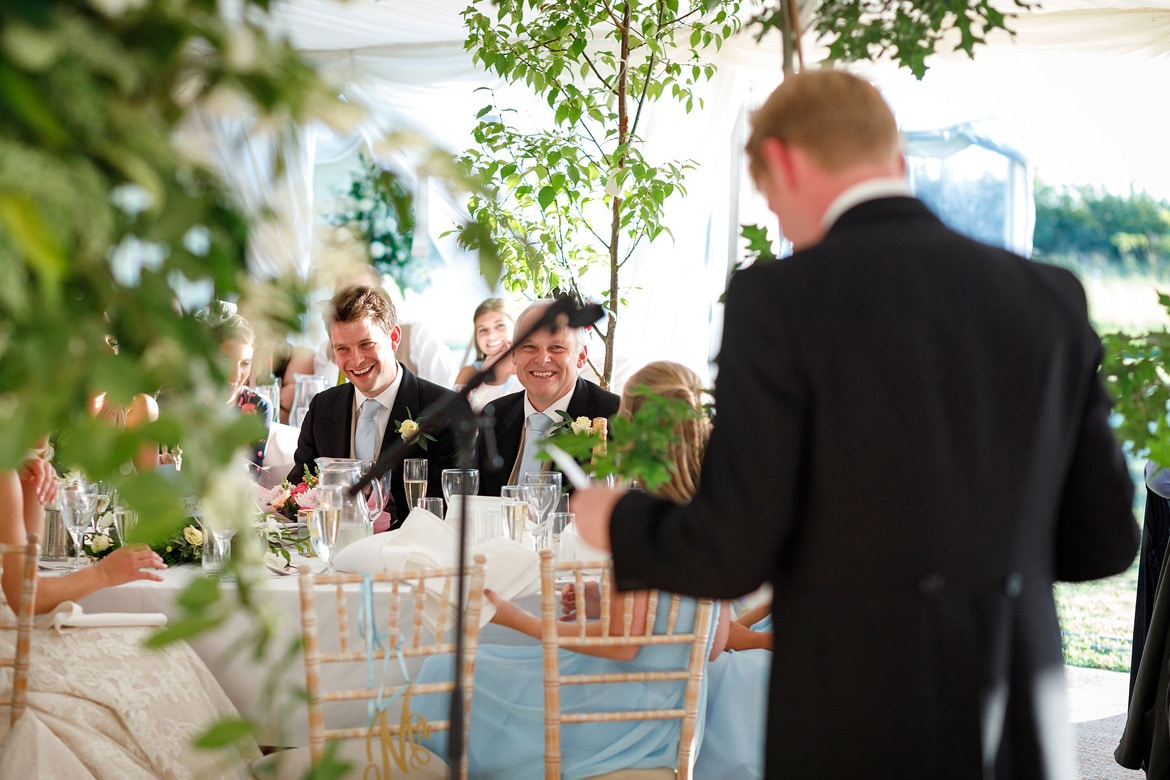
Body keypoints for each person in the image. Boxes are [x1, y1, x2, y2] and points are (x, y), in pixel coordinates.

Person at [572, 69, 1139, 780]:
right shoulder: (1051, 296)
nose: (777, 222)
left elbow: (732, 549)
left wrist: (618, 519)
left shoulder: (779, 301)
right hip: (1019, 727)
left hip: (855, 718)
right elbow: (1106, 541)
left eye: (771, 201)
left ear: (781, 160)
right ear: (895, 162)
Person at [414, 359, 755, 779]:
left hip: (615, 718)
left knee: (445, 671)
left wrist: (517, 618)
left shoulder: (639, 521)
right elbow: (714, 641)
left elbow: (622, 646)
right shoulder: (713, 520)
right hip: (672, 722)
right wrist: (599, 598)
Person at [0, 451, 260, 777]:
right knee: (161, 653)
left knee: (160, 647)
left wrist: (30, 487)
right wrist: (104, 575)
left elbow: (26, 568)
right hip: (9, 653)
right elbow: (26, 598)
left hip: (13, 638)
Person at [288, 284, 465, 530]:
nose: (356, 360)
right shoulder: (323, 407)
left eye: (366, 344)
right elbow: (299, 490)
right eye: (342, 349)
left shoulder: (446, 410)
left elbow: (450, 507)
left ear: (394, 337)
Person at [476, 299, 620, 498]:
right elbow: (479, 503)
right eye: (529, 347)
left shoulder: (615, 417)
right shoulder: (494, 416)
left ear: (581, 356)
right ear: (514, 356)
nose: (543, 359)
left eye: (557, 348)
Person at [207, 311, 274, 467]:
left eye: (245, 363)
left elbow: (253, 473)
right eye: (226, 361)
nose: (236, 374)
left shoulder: (259, 407)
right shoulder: (187, 400)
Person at [454, 297, 521, 412]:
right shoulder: (468, 373)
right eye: (482, 330)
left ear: (515, 327)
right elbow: (458, 418)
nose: (491, 335)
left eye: (500, 325)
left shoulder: (529, 369)